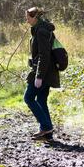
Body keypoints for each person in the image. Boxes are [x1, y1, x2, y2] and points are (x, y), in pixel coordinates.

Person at [24, 7, 60, 141]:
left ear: (35, 18)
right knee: (41, 100)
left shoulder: (42, 31)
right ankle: (47, 134)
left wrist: (39, 76)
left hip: (43, 72)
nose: (26, 20)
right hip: (47, 71)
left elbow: (44, 56)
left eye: (28, 18)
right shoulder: (40, 29)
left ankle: (46, 127)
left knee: (28, 97)